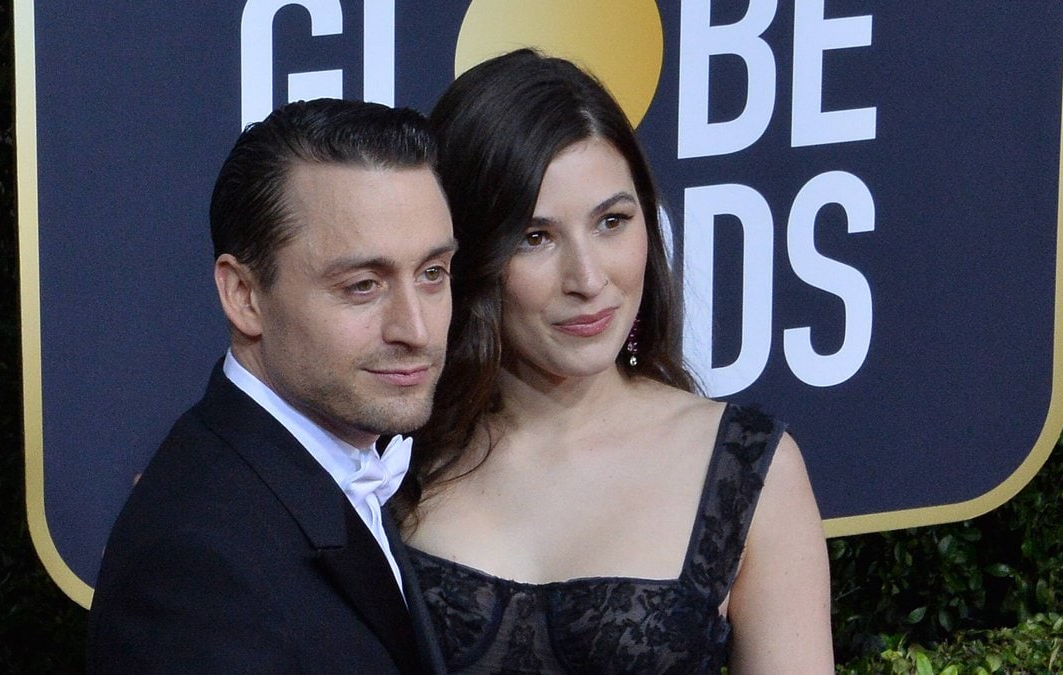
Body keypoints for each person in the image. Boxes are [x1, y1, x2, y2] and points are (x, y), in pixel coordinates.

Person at [394, 50, 833, 673]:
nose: (589, 278)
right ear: (467, 253)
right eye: (535, 237)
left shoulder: (745, 469)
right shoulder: (391, 458)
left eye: (612, 221)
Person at [87, 98, 456, 673]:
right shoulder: (194, 571)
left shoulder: (335, 464)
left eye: (433, 274)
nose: (416, 328)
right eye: (363, 285)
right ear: (244, 295)